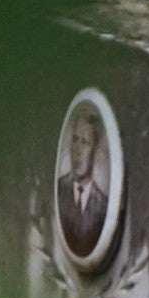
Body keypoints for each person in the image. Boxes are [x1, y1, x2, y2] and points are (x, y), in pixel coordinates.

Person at [57, 106, 110, 260]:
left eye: (85, 142)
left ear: (95, 150)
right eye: (75, 140)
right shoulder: (59, 190)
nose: (77, 150)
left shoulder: (103, 205)